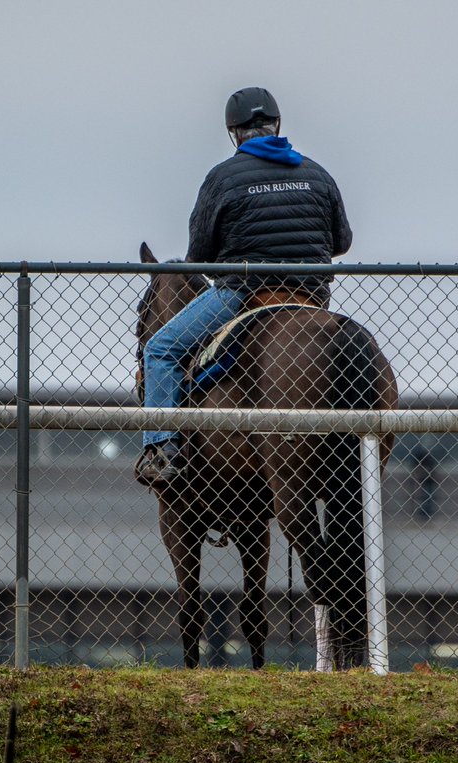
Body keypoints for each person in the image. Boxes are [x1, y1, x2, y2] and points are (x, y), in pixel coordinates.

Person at [135, 86, 354, 486]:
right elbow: (342, 242)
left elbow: (197, 254)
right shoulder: (316, 173)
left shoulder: (222, 178)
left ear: (234, 133)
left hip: (243, 294)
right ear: (277, 125)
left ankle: (161, 451)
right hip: (310, 297)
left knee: (160, 349)